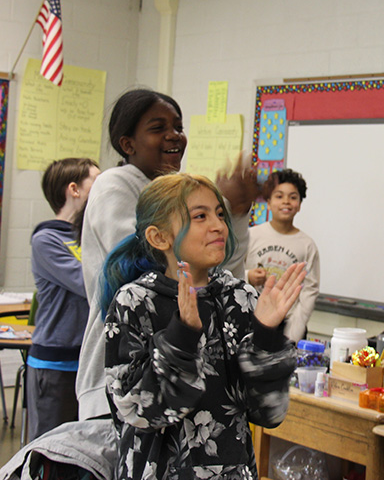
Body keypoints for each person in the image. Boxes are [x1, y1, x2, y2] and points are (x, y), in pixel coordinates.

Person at [101, 173, 304, 479]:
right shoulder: (135, 302)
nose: (218, 226)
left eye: (220, 214)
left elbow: (269, 412)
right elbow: (135, 411)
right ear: (159, 237)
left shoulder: (240, 298)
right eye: (200, 216)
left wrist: (266, 335)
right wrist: (181, 337)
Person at [76, 88, 258, 421]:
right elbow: (150, 266)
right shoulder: (114, 183)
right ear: (128, 143)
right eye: (158, 128)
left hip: (186, 374)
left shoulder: (180, 193)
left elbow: (223, 272)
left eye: (178, 126)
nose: (174, 136)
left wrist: (237, 214)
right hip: (122, 377)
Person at [28, 158, 100, 440]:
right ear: (74, 189)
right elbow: (88, 282)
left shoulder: (89, 237)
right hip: (56, 365)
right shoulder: (46, 240)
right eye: (96, 181)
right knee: (50, 450)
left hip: (87, 362)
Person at [244, 169, 320, 342]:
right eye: (279, 196)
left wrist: (293, 333)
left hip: (287, 325)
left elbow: (310, 291)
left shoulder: (307, 245)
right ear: (268, 203)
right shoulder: (251, 236)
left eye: (293, 197)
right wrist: (248, 276)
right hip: (251, 319)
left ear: (300, 204)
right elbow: (232, 272)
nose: (286, 201)